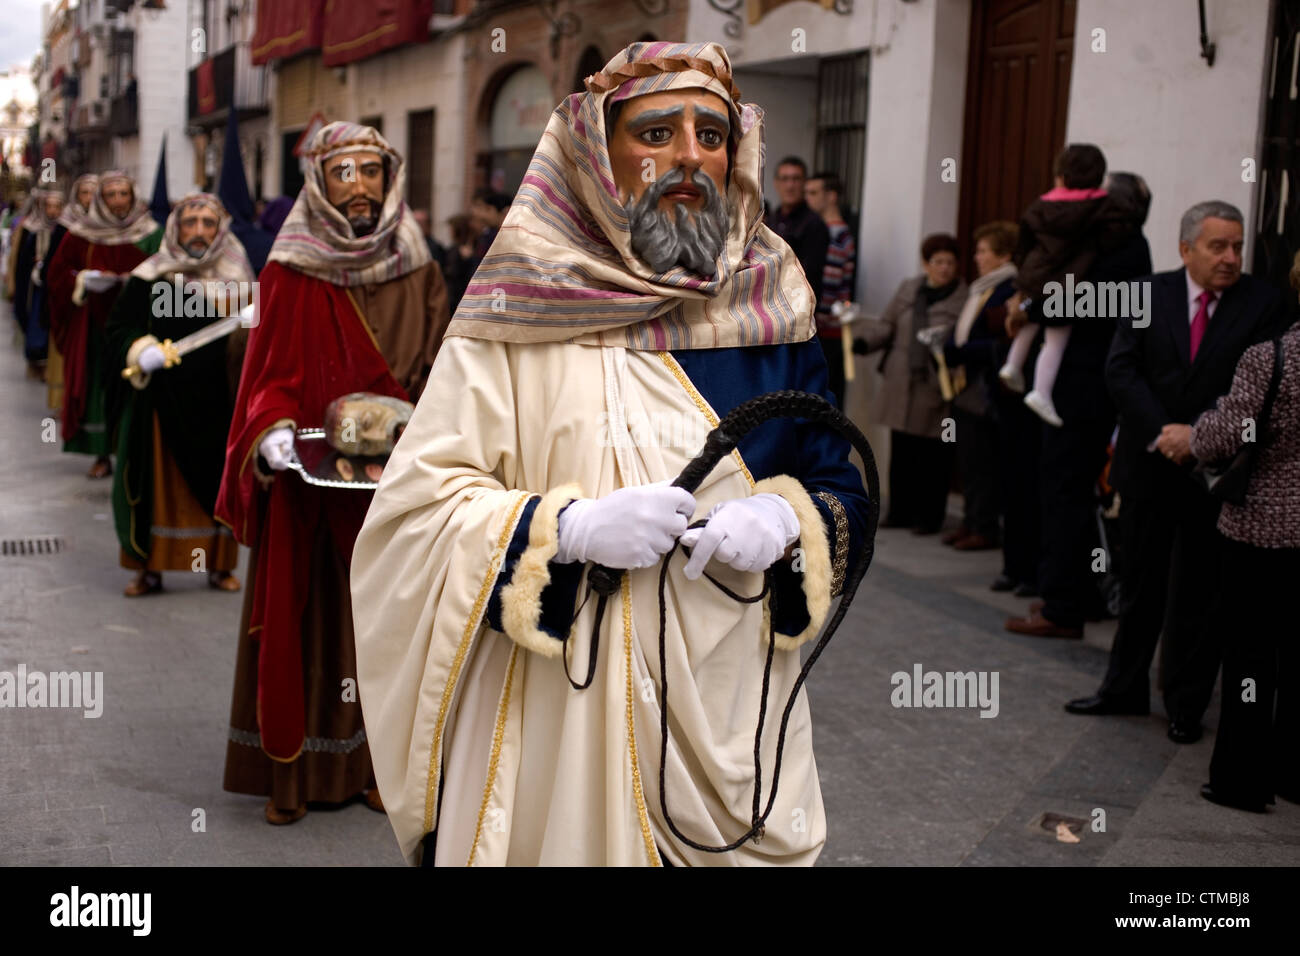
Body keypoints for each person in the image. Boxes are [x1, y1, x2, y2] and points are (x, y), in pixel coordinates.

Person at [350, 41, 871, 866]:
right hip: (561, 712)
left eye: (711, 133)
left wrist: (784, 519)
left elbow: (838, 481)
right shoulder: (517, 300)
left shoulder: (775, 297)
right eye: (657, 132)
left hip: (735, 698)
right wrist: (565, 531)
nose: (689, 156)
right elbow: (416, 509)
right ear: (599, 151)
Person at [214, 121, 452, 826]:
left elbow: (446, 362)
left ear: (390, 177)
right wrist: (273, 430)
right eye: (343, 173)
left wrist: (432, 429)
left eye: (370, 171)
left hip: (395, 483)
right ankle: (291, 774)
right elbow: (265, 372)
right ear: (319, 182)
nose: (359, 187)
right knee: (311, 621)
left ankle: (376, 767)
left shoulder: (420, 262)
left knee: (388, 629)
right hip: (308, 486)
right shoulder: (289, 267)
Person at [1063, 200, 1286, 743]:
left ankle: (1185, 705)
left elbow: (1258, 388)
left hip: (1216, 473)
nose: (1230, 257)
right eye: (1218, 246)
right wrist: (1165, 431)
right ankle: (1123, 687)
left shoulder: (1264, 304)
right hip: (1150, 462)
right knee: (1139, 583)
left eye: (1237, 246)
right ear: (1186, 249)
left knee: (1198, 593)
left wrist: (1199, 437)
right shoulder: (1147, 294)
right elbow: (1122, 369)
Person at [1006, 171, 1153, 638]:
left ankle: (1063, 606)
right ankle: (1077, 592)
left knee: (1065, 493)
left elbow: (1078, 302)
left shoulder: (1123, 249)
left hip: (1084, 391)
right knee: (1069, 493)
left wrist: (1028, 308)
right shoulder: (1118, 243)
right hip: (1080, 386)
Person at [1189, 252, 1300, 813]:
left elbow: (1221, 438)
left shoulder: (1273, 357)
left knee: (1252, 657)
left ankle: (1242, 780)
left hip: (1263, 530)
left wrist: (1198, 427)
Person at [104, 194, 253, 597]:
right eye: (191, 222)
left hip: (219, 403)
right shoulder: (149, 276)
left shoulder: (239, 276)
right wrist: (140, 348)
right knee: (158, 488)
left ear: (220, 227)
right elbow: (117, 329)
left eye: (208, 222)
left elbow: (256, 343)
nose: (200, 231)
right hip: (160, 403)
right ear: (176, 227)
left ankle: (218, 566)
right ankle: (149, 568)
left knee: (215, 483)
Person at [999, 144, 1142, 428]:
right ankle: (1040, 390)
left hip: (1038, 284)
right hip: (1066, 292)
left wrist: (1025, 298)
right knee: (1054, 340)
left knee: (1027, 325)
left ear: (1060, 176)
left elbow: (1023, 248)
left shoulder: (1042, 206)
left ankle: (1012, 364)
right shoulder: (1105, 218)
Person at [45, 170, 161, 479]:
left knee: (135, 387)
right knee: (97, 388)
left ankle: (132, 454)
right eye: (111, 195)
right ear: (101, 199)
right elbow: (57, 273)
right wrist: (82, 279)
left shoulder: (150, 233)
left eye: (124, 194)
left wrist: (132, 284)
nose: (118, 201)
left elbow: (167, 273)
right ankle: (101, 453)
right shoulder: (81, 234)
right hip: (94, 328)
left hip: (137, 327)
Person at [854, 234, 967, 534]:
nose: (944, 268)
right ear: (926, 264)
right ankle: (900, 510)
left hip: (933, 382)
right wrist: (866, 342)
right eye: (938, 262)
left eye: (950, 262)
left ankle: (929, 517)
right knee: (902, 448)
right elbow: (888, 324)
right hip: (901, 379)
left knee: (932, 452)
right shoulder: (910, 289)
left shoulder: (962, 297)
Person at [941, 220, 1019, 553]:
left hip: (985, 386)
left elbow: (1000, 341)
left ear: (1003, 255)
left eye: (984, 251)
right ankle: (971, 521)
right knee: (969, 458)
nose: (977, 257)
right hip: (966, 383)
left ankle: (984, 526)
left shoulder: (1008, 288)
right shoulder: (983, 286)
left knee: (984, 460)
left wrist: (962, 351)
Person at [40, 174, 98, 415]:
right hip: (70, 302)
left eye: (94, 193)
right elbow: (54, 268)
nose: (89, 198)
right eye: (84, 193)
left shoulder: (110, 227)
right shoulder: (66, 226)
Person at [804, 170, 857, 408]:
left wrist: (816, 317)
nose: (808, 199)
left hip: (828, 330)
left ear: (831, 196)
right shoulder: (831, 231)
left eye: (814, 193)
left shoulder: (835, 235)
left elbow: (830, 283)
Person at [5, 185, 64, 379]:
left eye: (57, 206)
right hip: (34, 288)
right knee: (35, 324)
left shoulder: (66, 230)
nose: (53, 211)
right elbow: (18, 261)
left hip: (56, 288)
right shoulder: (30, 228)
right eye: (49, 206)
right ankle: (36, 363)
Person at [766, 156, 829, 328]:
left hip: (796, 314)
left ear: (804, 184)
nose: (790, 185)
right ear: (776, 183)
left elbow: (808, 276)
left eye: (796, 179)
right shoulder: (770, 221)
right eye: (784, 179)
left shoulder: (813, 224)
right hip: (767, 309)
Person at [440, 212, 476, 312]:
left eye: (451, 229)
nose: (449, 232)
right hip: (452, 295)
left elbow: (456, 272)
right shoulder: (454, 249)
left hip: (457, 296)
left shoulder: (462, 250)